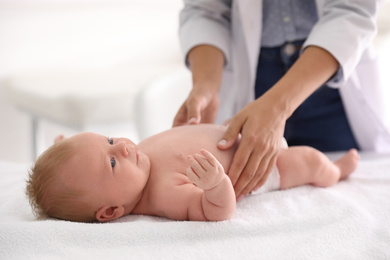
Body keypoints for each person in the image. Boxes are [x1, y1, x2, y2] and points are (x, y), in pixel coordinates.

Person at [174, 1, 390, 201]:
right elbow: (205, 11)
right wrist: (206, 85)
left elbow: (351, 11)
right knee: (269, 175)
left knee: (315, 168)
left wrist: (277, 106)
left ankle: (336, 170)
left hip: (325, 74)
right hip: (253, 79)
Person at [26, 124, 359, 223]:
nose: (124, 147)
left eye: (110, 140)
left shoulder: (139, 161)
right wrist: (216, 184)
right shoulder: (162, 193)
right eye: (112, 162)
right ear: (111, 211)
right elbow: (216, 210)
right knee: (310, 160)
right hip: (259, 166)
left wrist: (64, 147)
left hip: (245, 134)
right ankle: (334, 172)